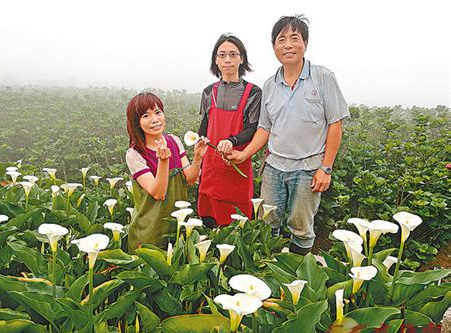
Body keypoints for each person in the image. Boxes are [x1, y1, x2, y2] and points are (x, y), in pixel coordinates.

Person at [227, 15, 349, 255]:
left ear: (305, 43)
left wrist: (326, 168)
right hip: (274, 168)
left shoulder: (323, 78)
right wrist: (244, 154)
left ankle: (296, 277)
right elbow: (265, 128)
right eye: (281, 40)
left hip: (309, 169)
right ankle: (268, 273)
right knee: (266, 223)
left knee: (301, 227)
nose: (288, 45)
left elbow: (335, 124)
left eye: (295, 38)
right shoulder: (271, 84)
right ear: (274, 47)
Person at [125, 93, 208, 251]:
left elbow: (190, 179)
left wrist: (197, 158)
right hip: (149, 232)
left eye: (158, 112)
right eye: (145, 115)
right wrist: (163, 161)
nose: (154, 119)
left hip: (177, 225)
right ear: (137, 123)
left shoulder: (174, 141)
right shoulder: (135, 154)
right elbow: (158, 193)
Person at [198, 34, 262, 228]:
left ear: (241, 58)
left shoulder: (253, 92)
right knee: (208, 215)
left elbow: (253, 128)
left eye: (233, 54)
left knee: (236, 221)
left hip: (237, 162)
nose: (227, 60)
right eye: (222, 55)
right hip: (211, 165)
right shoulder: (209, 92)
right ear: (216, 60)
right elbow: (205, 125)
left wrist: (232, 141)